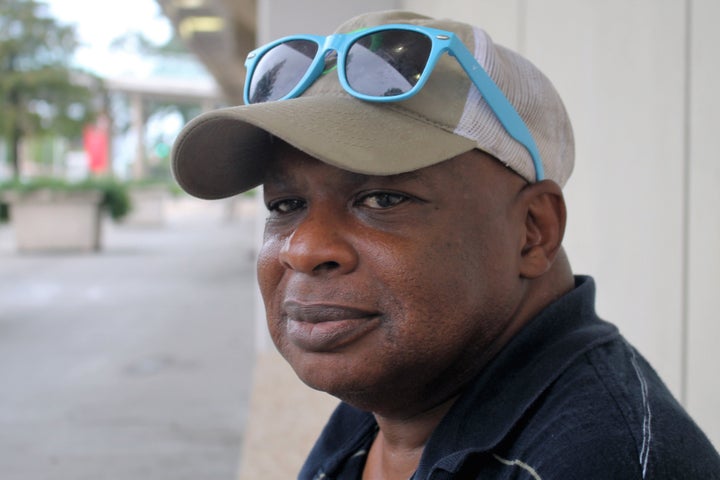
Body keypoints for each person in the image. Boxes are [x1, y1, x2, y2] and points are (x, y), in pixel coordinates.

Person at [171, 10, 720, 480]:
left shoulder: (596, 459)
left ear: (534, 229)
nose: (305, 248)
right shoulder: (398, 388)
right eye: (284, 205)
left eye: (382, 199)